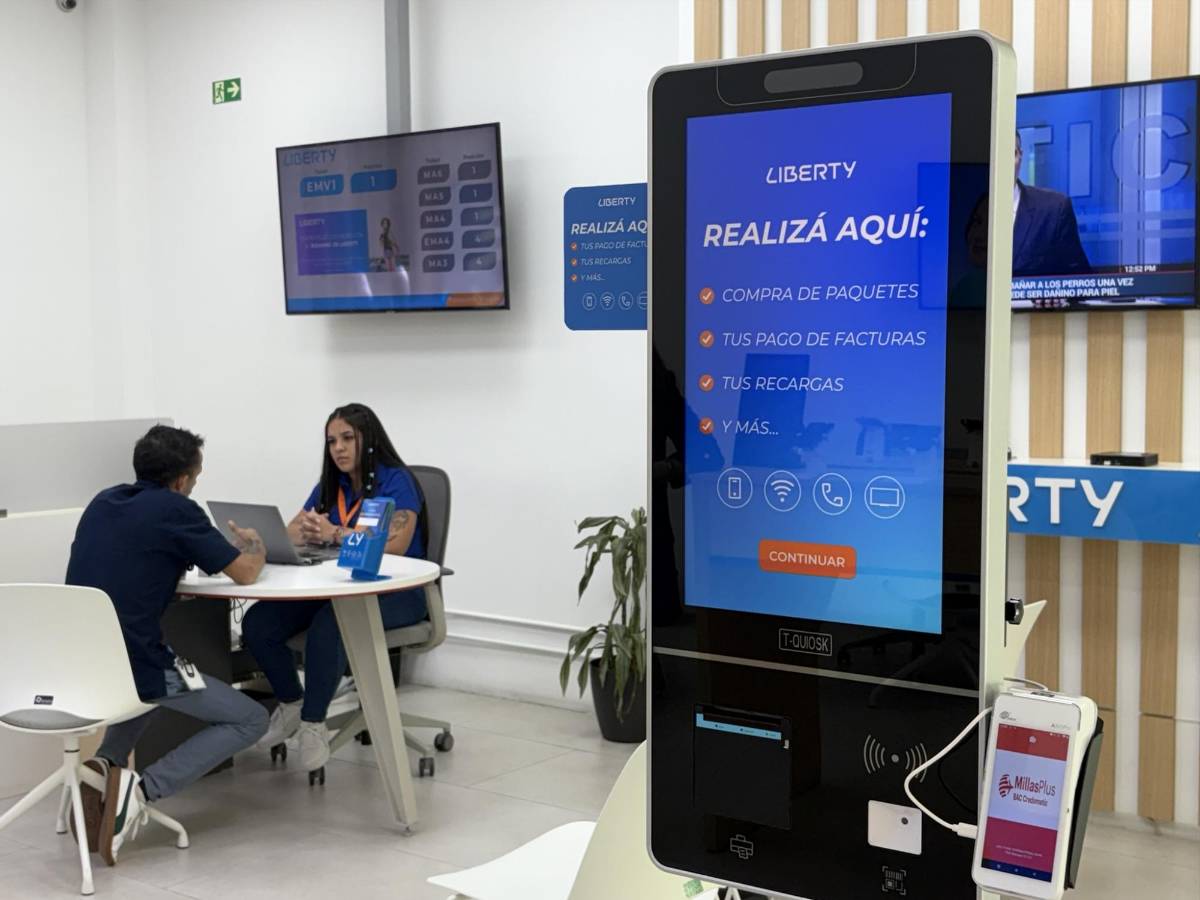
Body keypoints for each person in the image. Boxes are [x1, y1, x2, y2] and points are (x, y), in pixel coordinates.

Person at [64, 425, 269, 865]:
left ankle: (104, 767)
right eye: (196, 477)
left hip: (84, 664)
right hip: (142, 668)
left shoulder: (103, 502)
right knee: (249, 719)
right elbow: (245, 573)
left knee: (156, 685)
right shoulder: (178, 509)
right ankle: (141, 792)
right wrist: (256, 545)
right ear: (181, 480)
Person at [241, 403, 429, 773]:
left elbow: (394, 545)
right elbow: (293, 530)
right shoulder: (332, 485)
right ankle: (291, 704)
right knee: (258, 623)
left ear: (369, 441)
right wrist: (299, 533)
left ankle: (314, 723)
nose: (338, 449)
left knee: (331, 625)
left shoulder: (397, 481)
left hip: (397, 593)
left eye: (347, 439)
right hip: (339, 586)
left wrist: (333, 533)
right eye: (331, 441)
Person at [1013, 129, 1091, 279]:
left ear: (1021, 156)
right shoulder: (974, 209)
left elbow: (1080, 281)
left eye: (1011, 154)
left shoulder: (1054, 210)